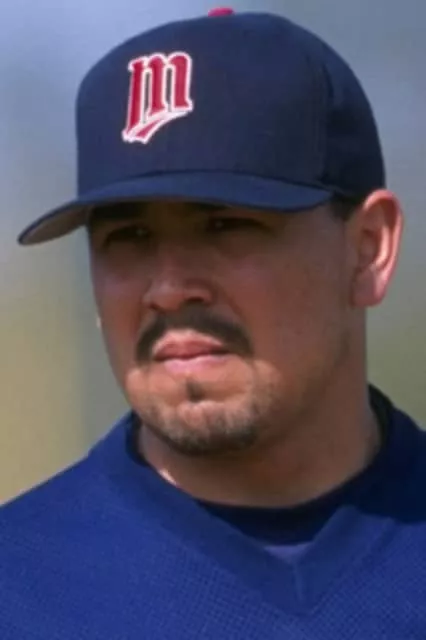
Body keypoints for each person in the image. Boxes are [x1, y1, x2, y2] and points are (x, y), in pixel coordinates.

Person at [1, 7, 425, 639]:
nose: (169, 290)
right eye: (129, 237)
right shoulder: (17, 589)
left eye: (227, 225)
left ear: (367, 249)